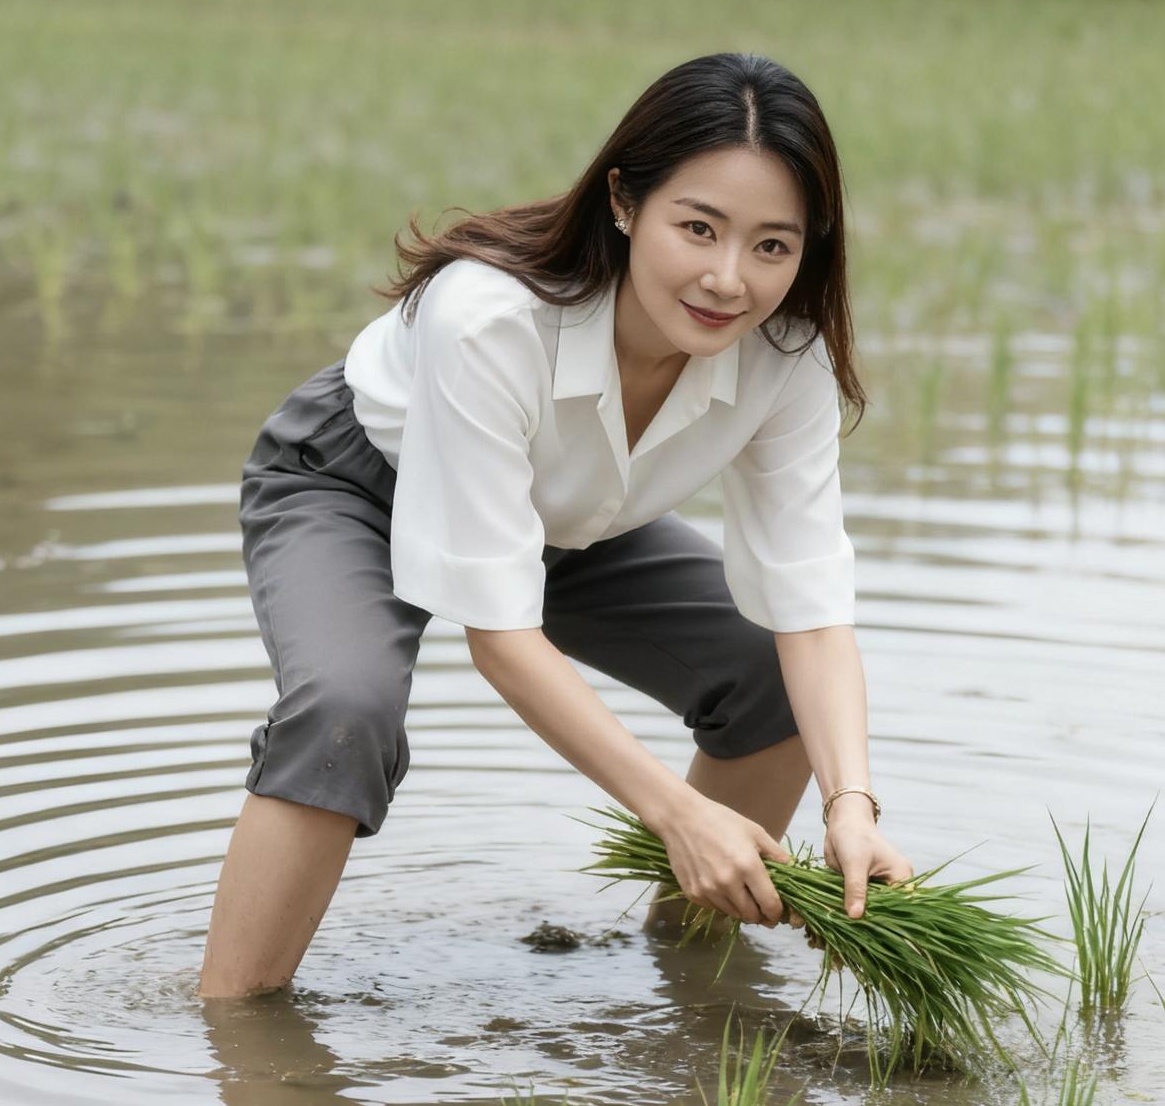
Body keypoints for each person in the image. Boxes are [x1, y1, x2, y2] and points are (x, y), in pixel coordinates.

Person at [199, 50, 915, 1001]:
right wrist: (673, 810)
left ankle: (689, 971)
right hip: (357, 484)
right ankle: (234, 1034)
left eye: (772, 247)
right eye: (696, 227)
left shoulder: (788, 358)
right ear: (623, 201)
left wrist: (850, 807)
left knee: (764, 674)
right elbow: (501, 636)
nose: (728, 279)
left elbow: (811, 609)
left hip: (568, 519)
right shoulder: (489, 318)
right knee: (346, 709)